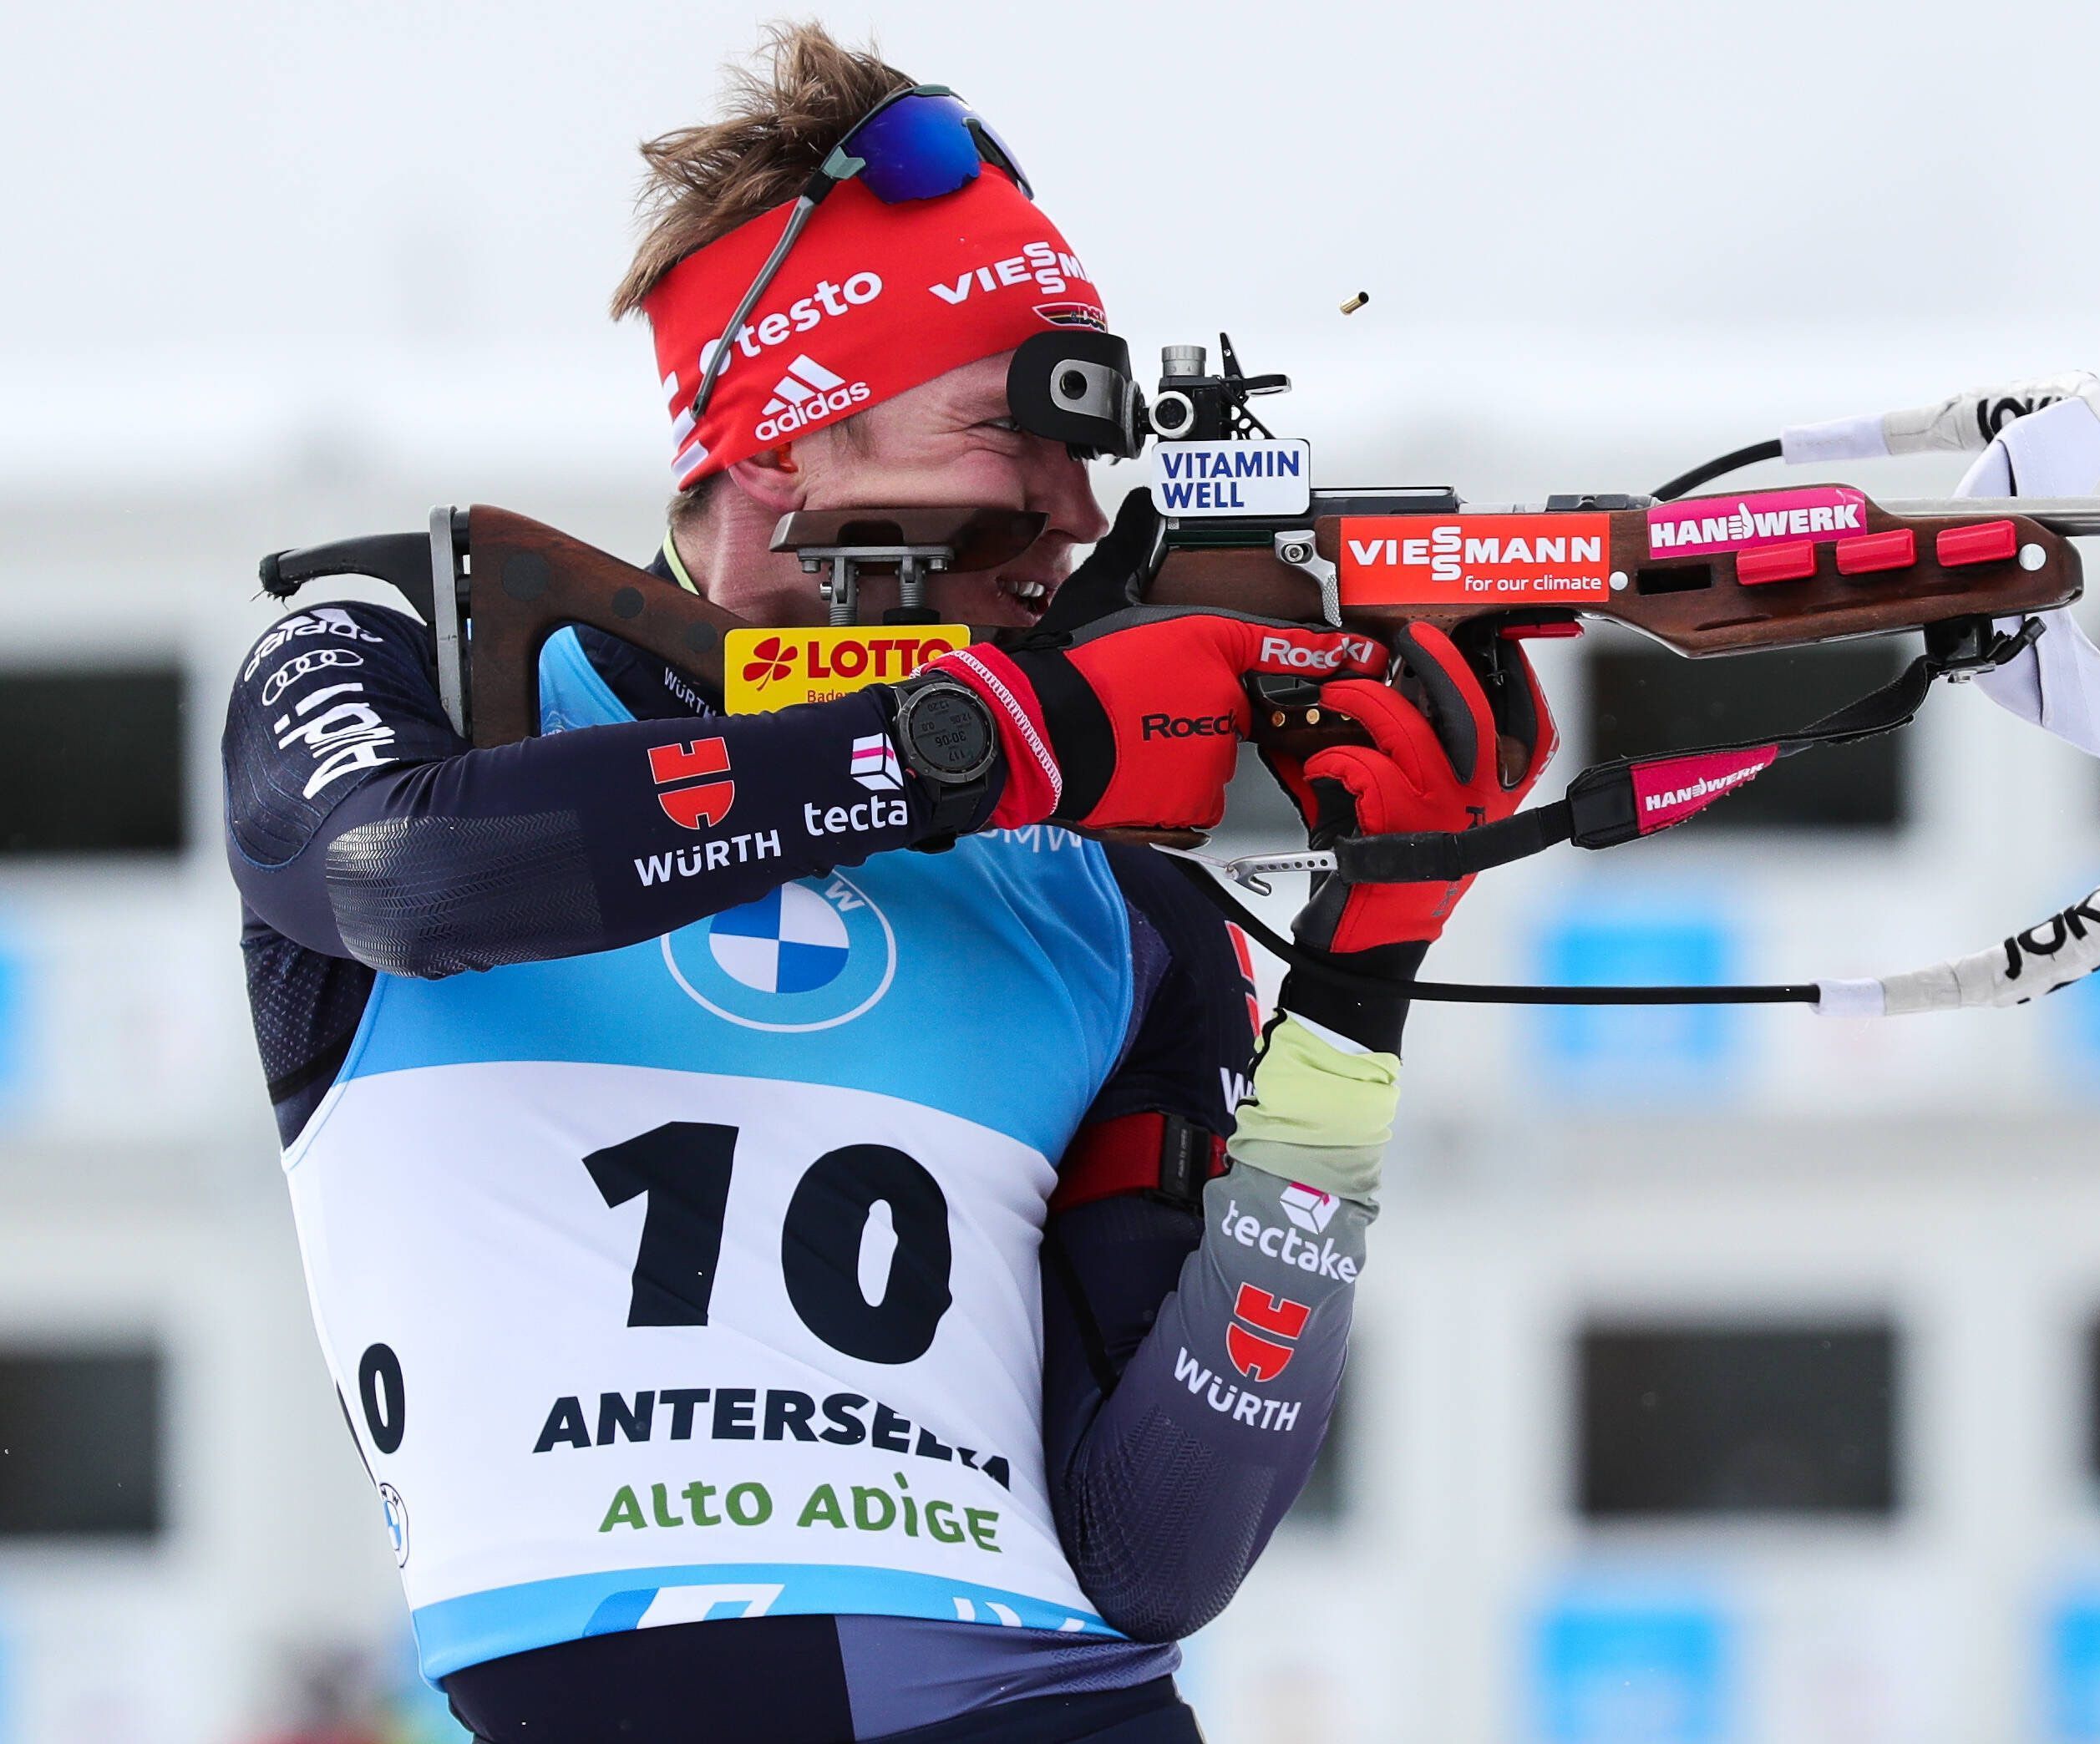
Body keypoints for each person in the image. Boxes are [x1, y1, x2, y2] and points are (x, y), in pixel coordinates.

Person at [225, 24, 1553, 1744]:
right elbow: (399, 875)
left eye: (1094, 447)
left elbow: (1162, 1546)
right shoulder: (410, 667)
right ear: (787, 440)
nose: (1074, 513)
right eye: (1015, 426)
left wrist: (1361, 978)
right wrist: (946, 749)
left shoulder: (1108, 889)